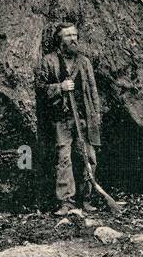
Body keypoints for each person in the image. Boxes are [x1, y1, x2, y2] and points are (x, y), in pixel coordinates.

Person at [35, 22, 102, 215]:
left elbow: (93, 91)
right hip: (61, 119)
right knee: (64, 159)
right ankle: (67, 202)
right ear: (59, 39)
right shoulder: (49, 61)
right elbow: (40, 89)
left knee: (89, 158)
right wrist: (59, 87)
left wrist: (96, 117)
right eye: (68, 36)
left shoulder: (84, 62)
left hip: (84, 119)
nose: (73, 39)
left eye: (75, 35)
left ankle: (87, 199)